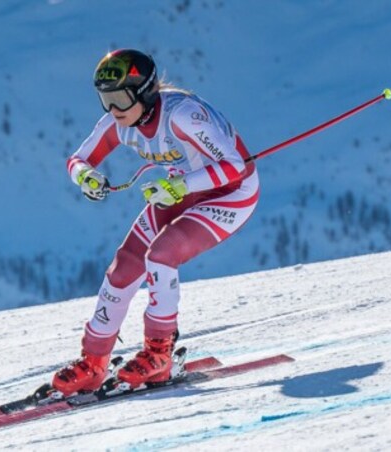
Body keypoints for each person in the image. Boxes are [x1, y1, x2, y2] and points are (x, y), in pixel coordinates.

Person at [53, 49, 259, 395]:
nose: (113, 110)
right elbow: (77, 159)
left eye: (119, 99)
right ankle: (93, 362)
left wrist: (180, 185)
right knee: (123, 268)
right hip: (181, 188)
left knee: (161, 255)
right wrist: (86, 177)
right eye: (106, 100)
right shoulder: (120, 123)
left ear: (144, 92)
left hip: (230, 194)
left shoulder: (183, 116)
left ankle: (159, 353)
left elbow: (235, 166)